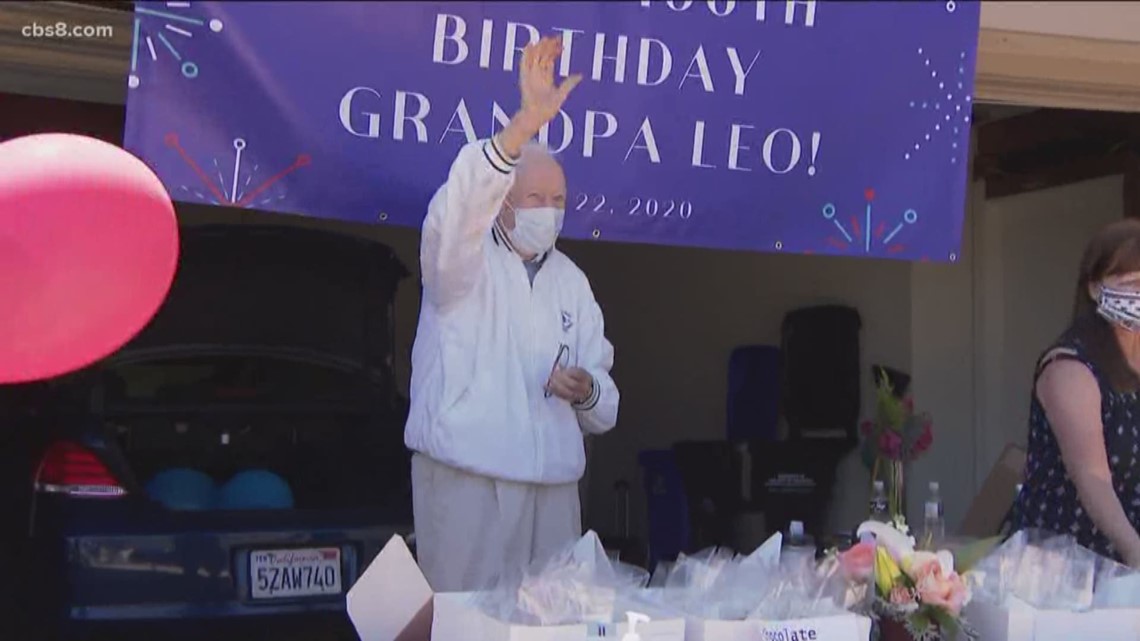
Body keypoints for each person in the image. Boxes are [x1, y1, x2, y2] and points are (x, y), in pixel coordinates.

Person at [403, 37, 620, 591]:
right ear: (501, 203)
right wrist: (522, 126)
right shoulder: (461, 264)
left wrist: (586, 389)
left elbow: (606, 407)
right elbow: (457, 210)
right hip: (468, 485)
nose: (548, 213)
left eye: (559, 201)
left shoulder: (572, 281)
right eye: (534, 199)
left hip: (551, 496)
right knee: (465, 625)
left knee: (549, 626)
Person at [1013, 219, 1140, 566]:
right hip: (1064, 571)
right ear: (1095, 289)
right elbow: (1092, 476)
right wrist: (1134, 550)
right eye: (1132, 283)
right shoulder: (1069, 367)